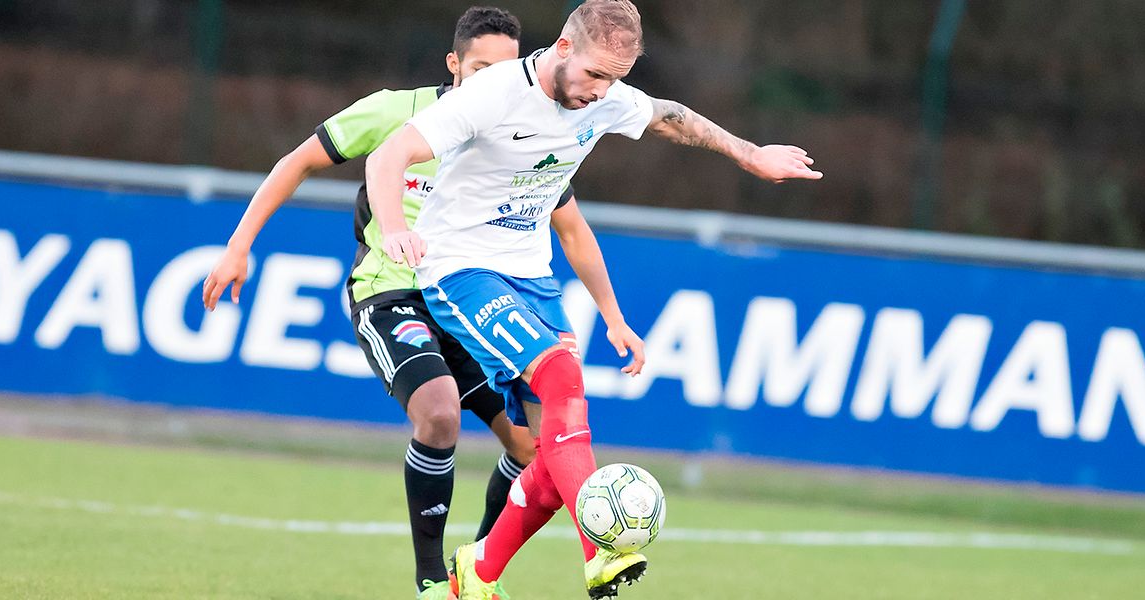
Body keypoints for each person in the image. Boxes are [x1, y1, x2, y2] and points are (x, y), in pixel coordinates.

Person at [364, 1, 823, 597]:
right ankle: (601, 548)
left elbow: (671, 116)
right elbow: (387, 155)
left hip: (532, 277)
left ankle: (476, 573)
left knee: (552, 448)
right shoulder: (494, 93)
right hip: (461, 269)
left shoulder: (606, 97)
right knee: (562, 382)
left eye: (617, 78)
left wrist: (748, 153)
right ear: (561, 48)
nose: (603, 90)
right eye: (595, 74)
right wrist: (396, 225)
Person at [198, 8, 539, 599]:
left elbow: (567, 222)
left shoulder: (519, 137)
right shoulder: (395, 112)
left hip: (467, 300)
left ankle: (476, 573)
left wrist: (608, 315)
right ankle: (432, 581)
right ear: (454, 64)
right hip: (390, 292)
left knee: (531, 447)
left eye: (504, 73)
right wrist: (238, 246)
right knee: (438, 415)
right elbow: (296, 161)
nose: (490, 84)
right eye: (479, 68)